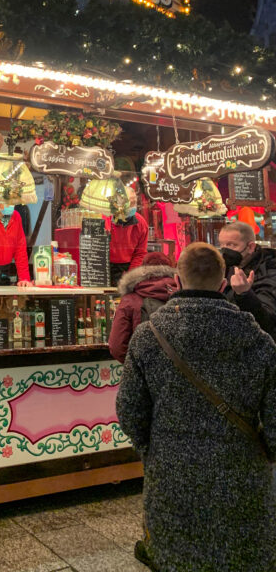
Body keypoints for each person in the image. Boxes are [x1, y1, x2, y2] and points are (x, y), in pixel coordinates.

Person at [117, 242, 276, 572]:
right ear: (222, 284)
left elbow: (129, 409)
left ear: (177, 280)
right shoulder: (259, 340)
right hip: (243, 474)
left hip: (171, 473)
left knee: (177, 557)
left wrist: (153, 448)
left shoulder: (149, 337)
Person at [108, 251, 175, 363]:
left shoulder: (129, 300)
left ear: (142, 270)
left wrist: (136, 366)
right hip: (176, 372)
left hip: (143, 371)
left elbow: (117, 346)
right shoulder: (180, 297)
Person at [218, 219, 276, 338]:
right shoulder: (226, 267)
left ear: (250, 247)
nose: (225, 250)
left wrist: (244, 294)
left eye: (231, 245)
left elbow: (267, 320)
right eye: (221, 245)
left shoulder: (270, 268)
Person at [109, 187, 149, 286]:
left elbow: (140, 253)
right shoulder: (104, 219)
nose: (132, 207)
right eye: (128, 203)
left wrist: (131, 276)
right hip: (105, 264)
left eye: (134, 203)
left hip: (128, 265)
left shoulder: (141, 223)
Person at [0, 202, 30, 286]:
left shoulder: (16, 216)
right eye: (6, 201)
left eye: (13, 201)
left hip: (5, 274)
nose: (10, 205)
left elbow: (20, 250)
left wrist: (24, 278)